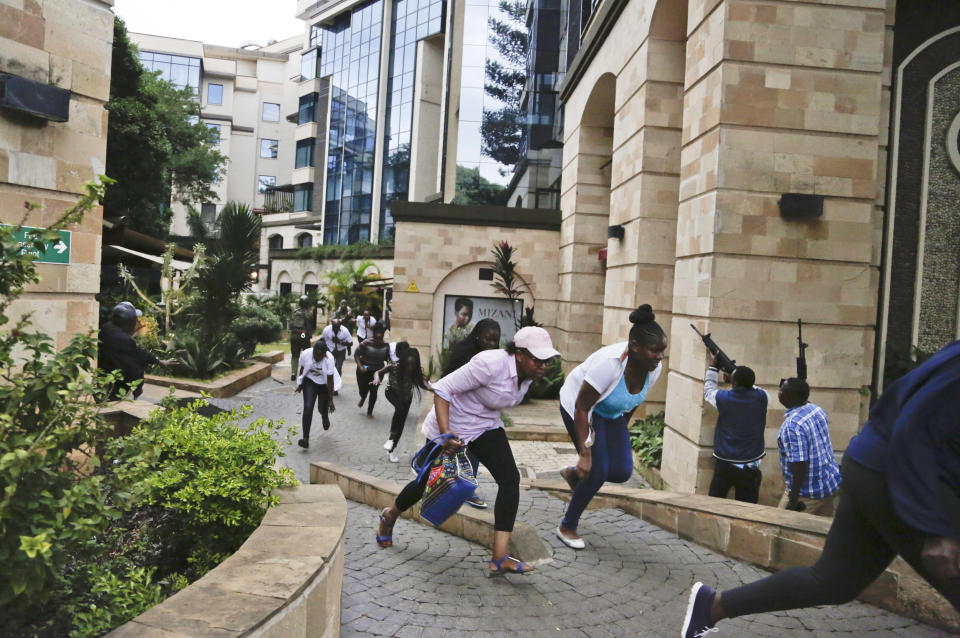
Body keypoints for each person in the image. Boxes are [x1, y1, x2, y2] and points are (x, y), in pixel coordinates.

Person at [681, 340, 960, 638]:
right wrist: (934, 527)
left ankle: (714, 606)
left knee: (833, 582)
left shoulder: (786, 420)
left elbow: (713, 396)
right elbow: (913, 427)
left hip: (864, 468)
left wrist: (714, 369)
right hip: (891, 476)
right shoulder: (800, 409)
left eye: (783, 388)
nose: (777, 391)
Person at [375, 326, 560, 576]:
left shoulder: (528, 376)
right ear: (519, 354)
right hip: (453, 425)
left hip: (485, 426)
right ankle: (390, 515)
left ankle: (499, 557)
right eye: (538, 360)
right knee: (428, 484)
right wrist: (445, 433)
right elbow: (441, 390)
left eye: (546, 361)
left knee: (510, 479)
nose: (543, 366)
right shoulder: (489, 364)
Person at [555, 304, 667, 549]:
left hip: (611, 413)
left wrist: (620, 433)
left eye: (662, 352)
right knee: (597, 470)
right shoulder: (610, 364)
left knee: (622, 471)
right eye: (654, 351)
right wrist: (585, 455)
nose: (660, 357)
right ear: (635, 347)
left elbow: (632, 400)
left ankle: (573, 476)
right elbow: (581, 407)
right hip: (581, 407)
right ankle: (567, 526)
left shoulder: (653, 368)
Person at [440, 318, 503, 509]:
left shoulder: (495, 359)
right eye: (487, 339)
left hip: (478, 415)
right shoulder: (464, 355)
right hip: (460, 412)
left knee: (472, 452)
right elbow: (446, 385)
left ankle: (465, 488)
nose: (491, 344)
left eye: (495, 340)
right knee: (461, 451)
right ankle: (454, 488)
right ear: (477, 337)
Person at [703, 353, 768, 504]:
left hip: (725, 463)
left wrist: (713, 368)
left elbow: (708, 390)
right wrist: (735, 377)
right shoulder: (762, 397)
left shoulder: (723, 398)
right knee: (746, 508)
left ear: (735, 382)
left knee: (715, 504)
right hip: (751, 464)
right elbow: (753, 386)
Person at [776, 377, 841, 516]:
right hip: (830, 483)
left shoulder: (792, 426)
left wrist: (793, 500)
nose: (779, 392)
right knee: (822, 532)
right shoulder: (816, 410)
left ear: (790, 397)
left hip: (808, 493)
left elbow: (800, 464)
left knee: (781, 528)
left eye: (782, 391)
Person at [98, 302, 173, 400]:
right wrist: (159, 362)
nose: (136, 322)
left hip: (103, 379)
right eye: (134, 320)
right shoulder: (123, 339)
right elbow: (139, 355)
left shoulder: (106, 329)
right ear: (127, 322)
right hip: (113, 386)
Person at [372, 343, 429, 462]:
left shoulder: (415, 371)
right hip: (391, 392)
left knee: (401, 422)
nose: (410, 367)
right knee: (399, 409)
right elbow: (378, 372)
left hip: (406, 397)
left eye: (413, 364)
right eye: (408, 364)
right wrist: (377, 379)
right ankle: (391, 437)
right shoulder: (394, 366)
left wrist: (433, 388)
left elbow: (423, 382)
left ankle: (392, 448)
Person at [294, 340, 340, 448]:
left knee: (321, 408)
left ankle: (324, 416)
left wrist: (331, 400)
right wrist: (300, 384)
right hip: (310, 381)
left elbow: (330, 380)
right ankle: (306, 438)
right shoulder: (306, 354)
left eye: (320, 356)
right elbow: (302, 369)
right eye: (315, 354)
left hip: (324, 384)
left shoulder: (330, 359)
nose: (317, 357)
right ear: (313, 351)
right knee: (308, 407)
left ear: (324, 355)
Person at [354, 323, 390, 417]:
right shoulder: (365, 343)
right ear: (373, 336)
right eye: (376, 338)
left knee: (374, 391)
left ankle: (369, 412)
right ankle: (363, 396)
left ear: (382, 336)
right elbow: (356, 355)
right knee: (363, 389)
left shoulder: (386, 346)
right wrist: (360, 367)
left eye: (380, 338)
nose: (378, 341)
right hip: (364, 368)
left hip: (377, 372)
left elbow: (388, 359)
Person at [289, 295, 314, 381]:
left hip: (294, 335)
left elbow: (290, 325)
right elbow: (310, 327)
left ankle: (293, 372)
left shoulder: (295, 312)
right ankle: (303, 371)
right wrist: (309, 335)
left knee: (295, 355)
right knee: (306, 354)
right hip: (303, 335)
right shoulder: (309, 313)